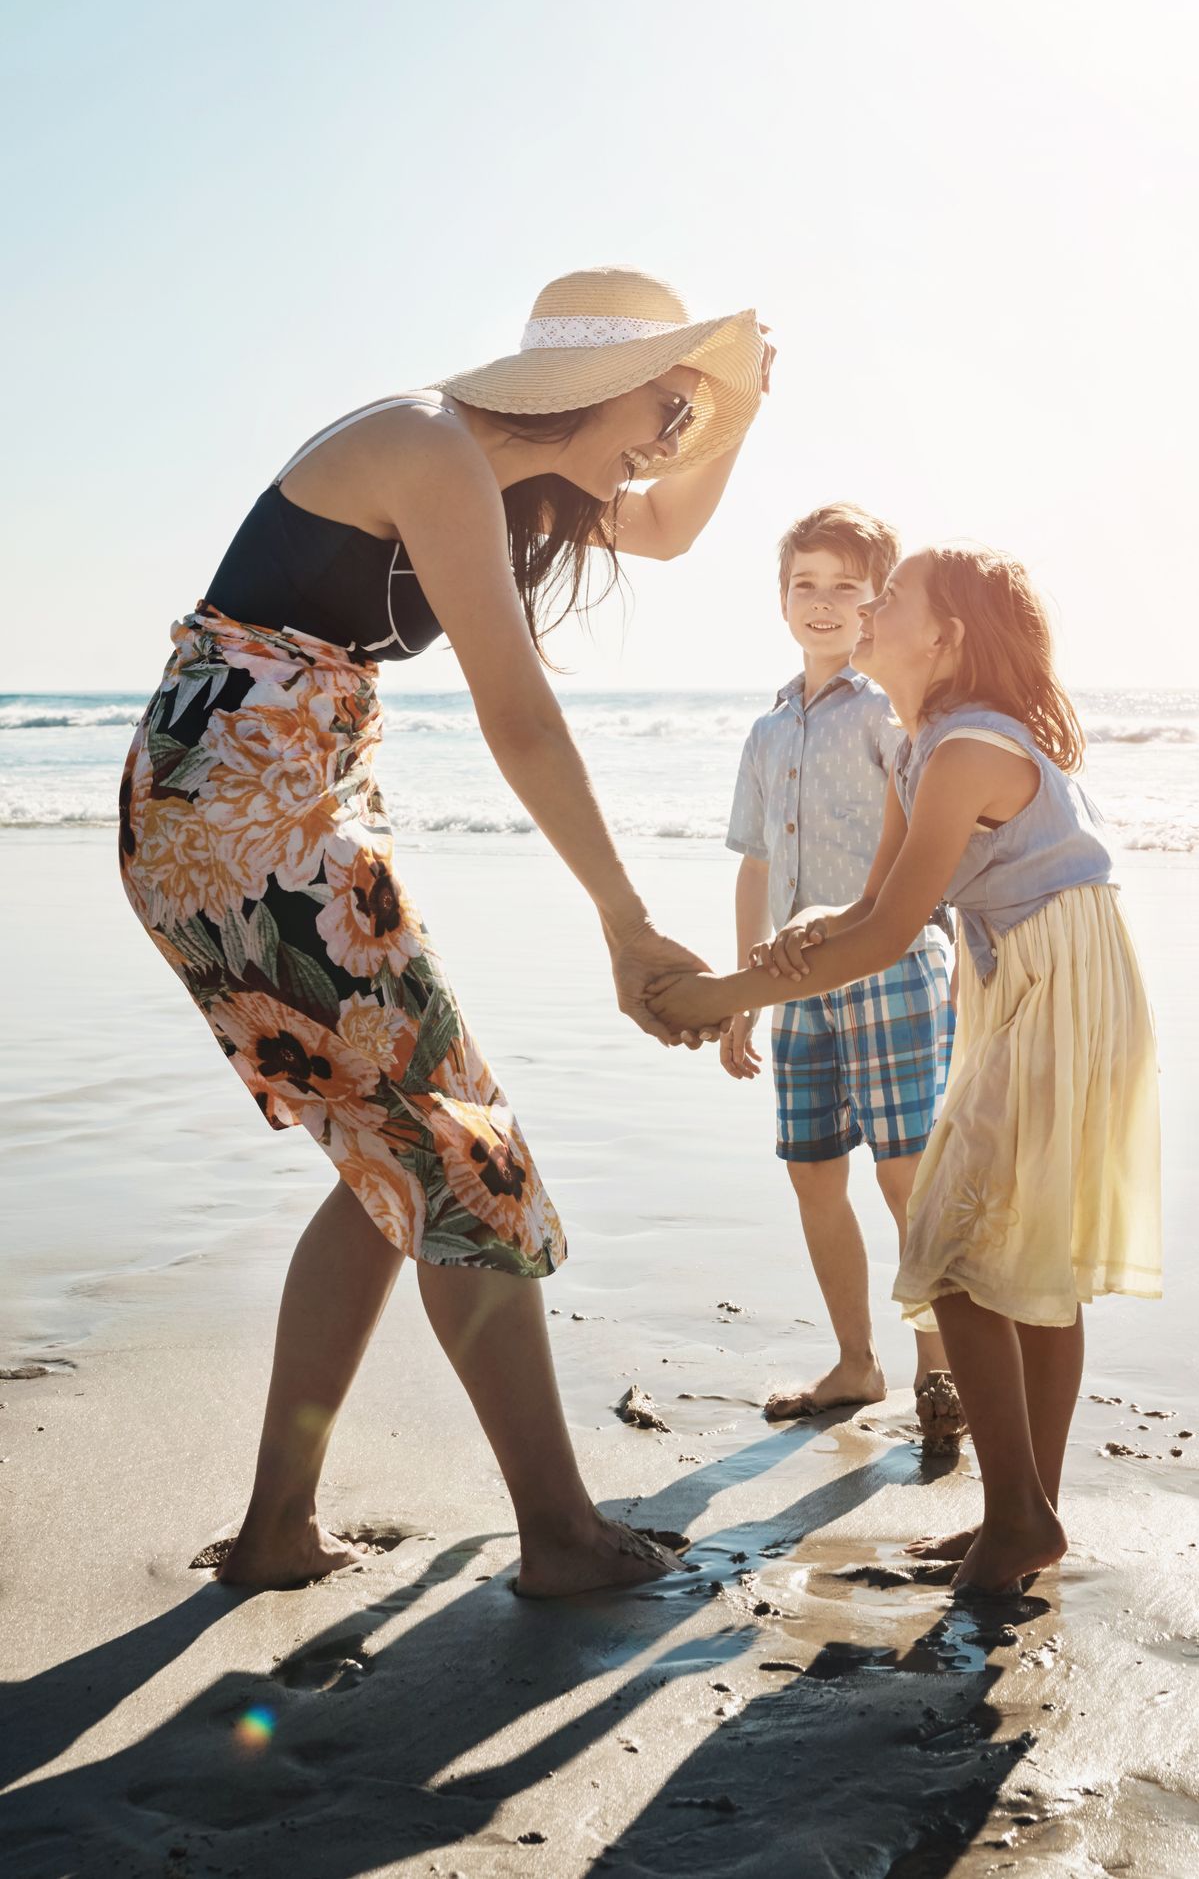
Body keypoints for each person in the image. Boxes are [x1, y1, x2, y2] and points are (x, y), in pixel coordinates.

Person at [118, 266, 770, 1596]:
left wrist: (737, 404)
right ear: (585, 386)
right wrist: (628, 921)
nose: (667, 437)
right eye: (664, 404)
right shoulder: (428, 444)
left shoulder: (502, 480)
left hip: (247, 804)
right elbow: (518, 712)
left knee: (391, 1161)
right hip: (247, 815)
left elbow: (668, 531)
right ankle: (561, 1532)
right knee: (463, 1152)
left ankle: (274, 1530)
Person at [646, 546, 1160, 1593]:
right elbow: (876, 905)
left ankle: (1018, 1515)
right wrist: (803, 931)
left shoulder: (969, 748)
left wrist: (718, 998)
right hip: (1026, 980)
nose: (869, 611)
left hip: (1057, 988)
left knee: (961, 1251)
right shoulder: (917, 748)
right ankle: (1023, 1519)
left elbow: (885, 939)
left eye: (892, 600)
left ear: (947, 636)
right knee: (1021, 1267)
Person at [721, 504, 962, 1439]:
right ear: (782, 600)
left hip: (893, 962)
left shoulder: (887, 715)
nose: (823, 603)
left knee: (908, 1176)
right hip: (795, 981)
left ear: (877, 606)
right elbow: (753, 862)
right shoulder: (768, 728)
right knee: (814, 1173)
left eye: (846, 587)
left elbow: (924, 844)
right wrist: (744, 992)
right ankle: (856, 1362)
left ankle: (939, 1368)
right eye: (804, 584)